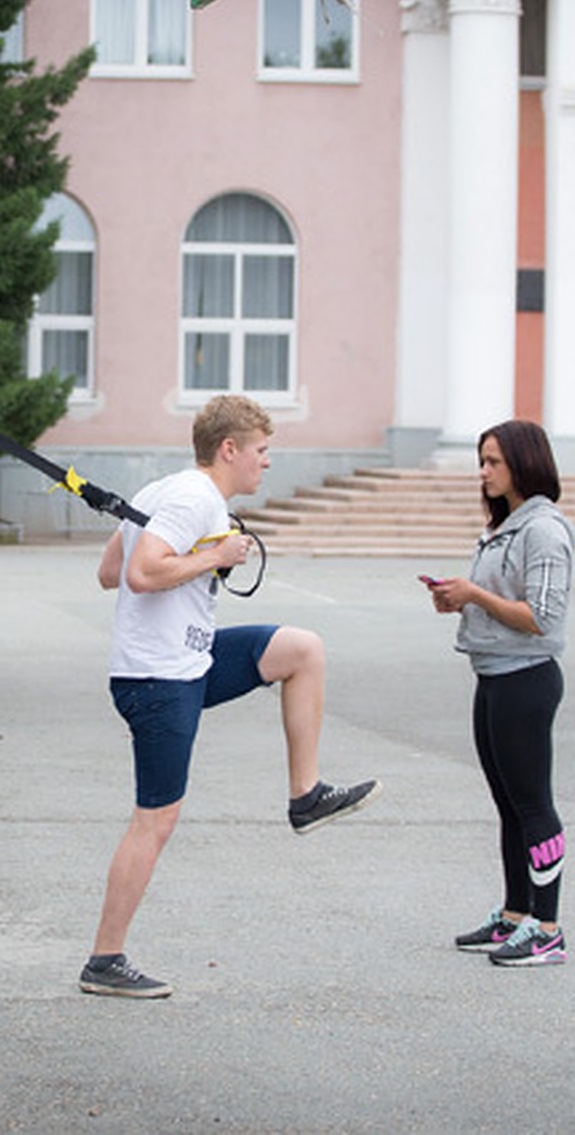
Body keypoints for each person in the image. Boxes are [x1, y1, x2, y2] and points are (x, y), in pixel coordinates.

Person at [78, 394, 381, 999]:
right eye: (262, 452)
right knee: (155, 821)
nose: (266, 464)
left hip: (189, 659)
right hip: (159, 679)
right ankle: (104, 960)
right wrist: (216, 554)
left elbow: (110, 570)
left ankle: (306, 795)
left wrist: (191, 554)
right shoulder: (192, 498)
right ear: (229, 449)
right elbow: (138, 576)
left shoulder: (165, 490)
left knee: (301, 650)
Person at [424, 419, 575, 968]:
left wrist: (475, 595)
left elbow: (542, 618)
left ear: (523, 463)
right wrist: (459, 600)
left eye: (493, 462)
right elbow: (499, 601)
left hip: (525, 681)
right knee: (509, 806)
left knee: (534, 805)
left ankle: (549, 928)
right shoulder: (504, 526)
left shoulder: (544, 531)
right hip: (492, 678)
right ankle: (515, 916)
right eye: (481, 461)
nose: (483, 472)